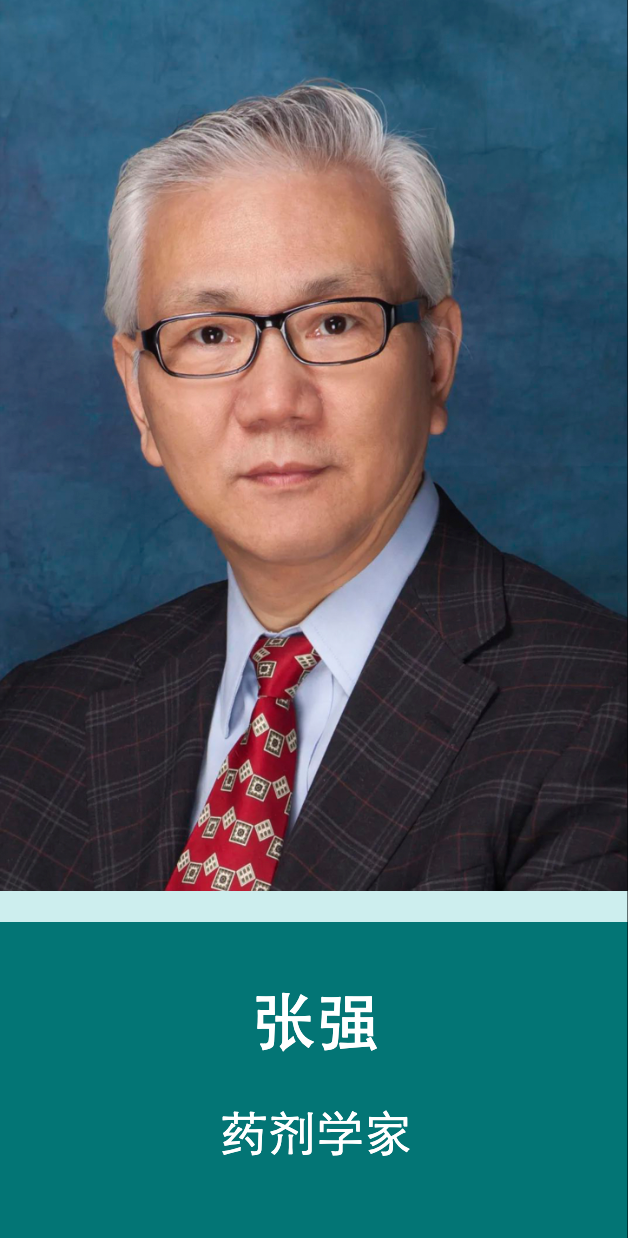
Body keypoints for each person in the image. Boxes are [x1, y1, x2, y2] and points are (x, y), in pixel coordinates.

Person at [0, 82, 625, 892]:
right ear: (138, 396)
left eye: (335, 322)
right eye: (210, 334)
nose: (274, 402)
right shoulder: (31, 729)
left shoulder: (599, 711)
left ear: (436, 360)